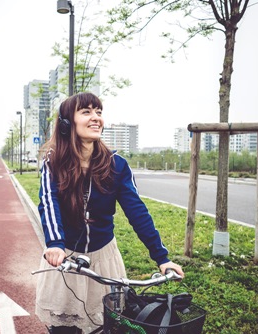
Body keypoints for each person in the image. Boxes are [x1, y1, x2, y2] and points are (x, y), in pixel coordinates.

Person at [35, 92, 184, 334]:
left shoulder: (117, 164)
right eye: (86, 112)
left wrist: (162, 258)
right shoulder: (53, 161)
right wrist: (55, 244)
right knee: (64, 328)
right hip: (65, 257)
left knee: (106, 325)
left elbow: (137, 212)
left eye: (99, 112)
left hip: (104, 258)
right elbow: (48, 202)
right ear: (66, 123)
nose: (96, 118)